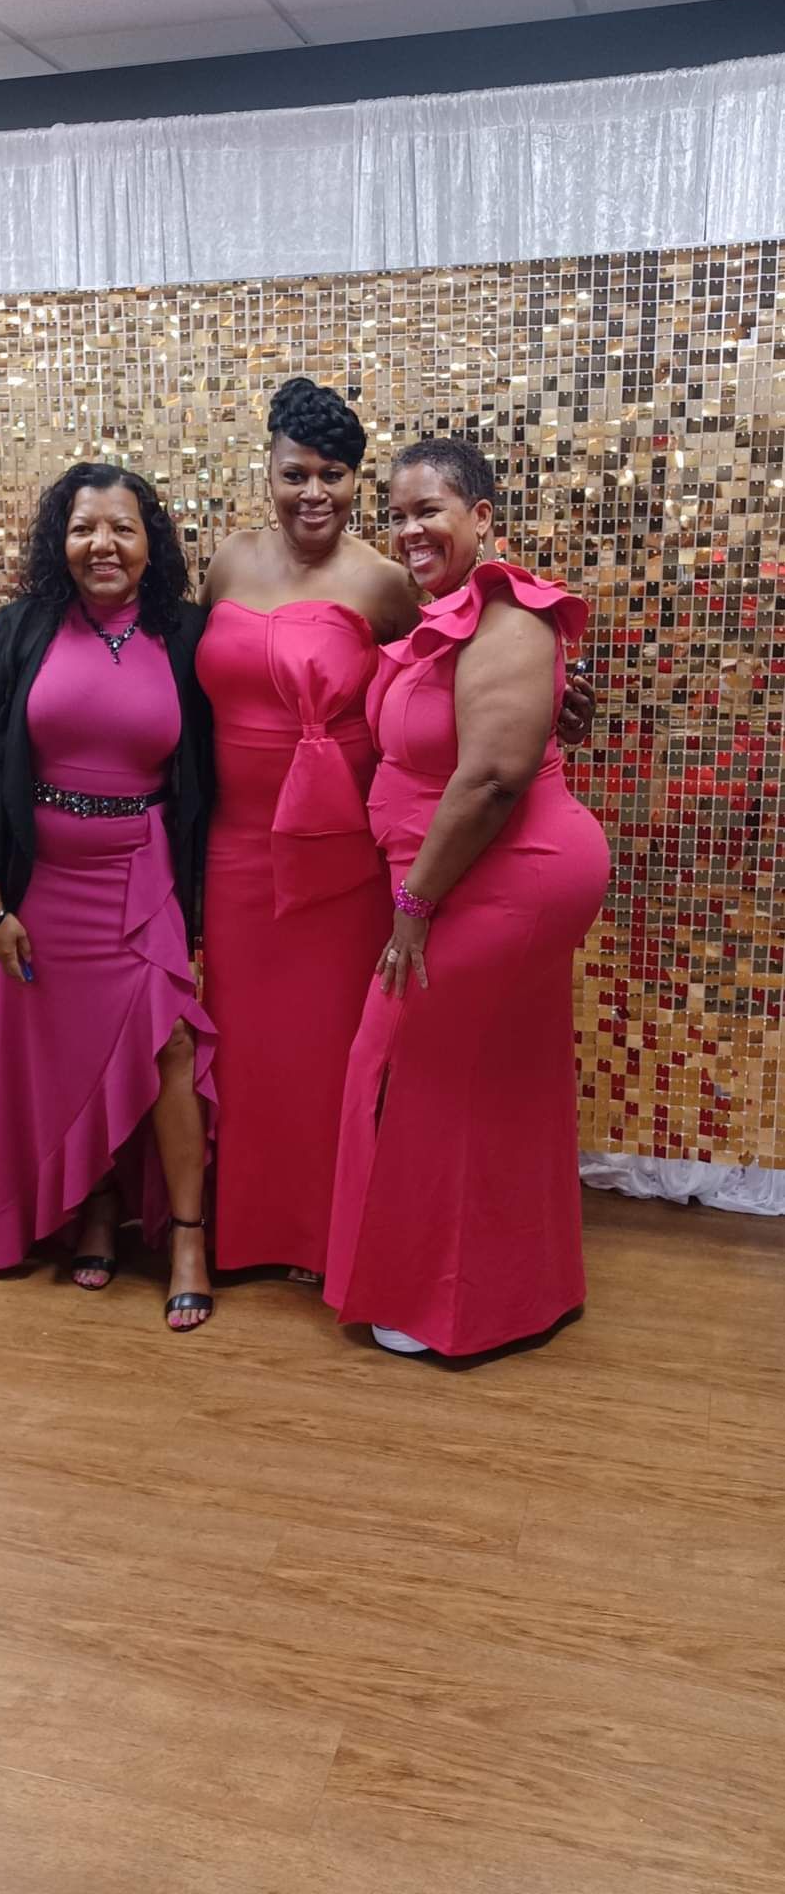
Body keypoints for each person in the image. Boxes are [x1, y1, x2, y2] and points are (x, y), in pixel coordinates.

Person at [196, 379, 595, 1284]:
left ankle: (324, 1239)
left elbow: (464, 662)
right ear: (266, 470)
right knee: (249, 1043)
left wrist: (554, 703)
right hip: (235, 846)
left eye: (334, 475)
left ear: (353, 481)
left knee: (334, 1048)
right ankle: (244, 1230)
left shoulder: (386, 579)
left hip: (341, 855)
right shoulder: (225, 566)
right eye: (294, 472)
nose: (313, 493)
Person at [324, 437, 611, 1358]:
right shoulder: (446, 620)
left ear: (481, 518)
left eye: (429, 511)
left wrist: (415, 906)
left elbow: (490, 778)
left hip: (506, 873)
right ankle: (517, 1286)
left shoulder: (506, 612)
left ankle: (440, 1297)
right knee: (496, 1080)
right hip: (477, 872)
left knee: (406, 1060)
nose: (409, 530)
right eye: (398, 514)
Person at [0, 463, 217, 1331]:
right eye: (83, 528)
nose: (102, 544)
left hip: (142, 880)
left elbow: (219, 763)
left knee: (172, 1046)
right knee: (70, 1055)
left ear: (151, 544)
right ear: (59, 541)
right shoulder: (20, 629)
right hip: (43, 890)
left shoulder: (185, 633)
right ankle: (96, 1210)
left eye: (123, 528)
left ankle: (186, 1236)